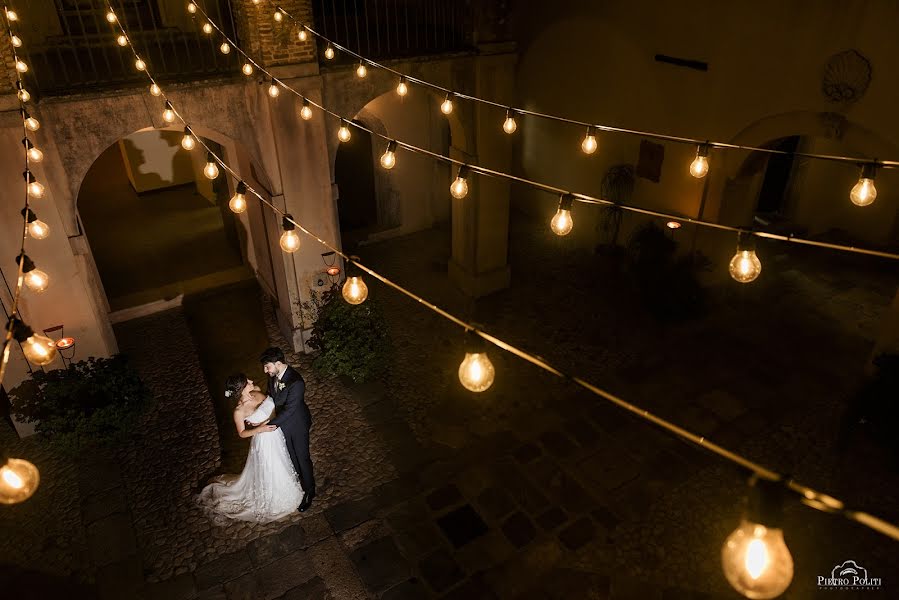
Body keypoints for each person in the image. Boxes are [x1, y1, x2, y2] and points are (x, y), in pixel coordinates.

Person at [197, 373, 303, 523]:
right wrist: (260, 429)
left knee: (282, 461)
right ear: (241, 389)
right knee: (271, 468)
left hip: (277, 433)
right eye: (248, 382)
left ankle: (286, 489)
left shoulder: (257, 390)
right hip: (264, 441)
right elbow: (242, 433)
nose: (252, 381)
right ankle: (274, 498)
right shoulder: (239, 412)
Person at [260, 346, 316, 512]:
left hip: (298, 424)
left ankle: (310, 491)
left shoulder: (296, 382)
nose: (265, 370)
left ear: (278, 363)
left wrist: (269, 425)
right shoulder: (273, 376)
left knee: (302, 457)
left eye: (267, 366)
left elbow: (290, 409)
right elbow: (270, 395)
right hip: (283, 424)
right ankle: (300, 482)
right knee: (291, 455)